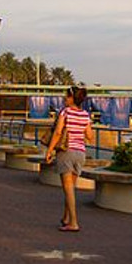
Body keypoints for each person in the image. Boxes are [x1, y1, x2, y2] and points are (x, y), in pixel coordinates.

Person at [44, 85, 94, 232]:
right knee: (70, 188)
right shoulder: (85, 115)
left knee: (68, 189)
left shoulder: (65, 112)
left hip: (66, 152)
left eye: (67, 96)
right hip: (80, 153)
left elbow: (58, 132)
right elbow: (90, 136)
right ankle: (66, 218)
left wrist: (49, 150)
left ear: (72, 98)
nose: (64, 98)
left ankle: (74, 222)